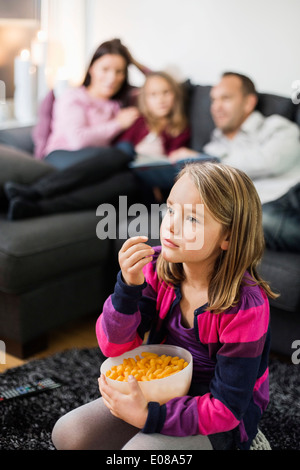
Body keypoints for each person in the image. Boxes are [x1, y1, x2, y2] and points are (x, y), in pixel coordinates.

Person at [51, 161, 277, 450]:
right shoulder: (157, 268)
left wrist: (149, 416)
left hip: (219, 415)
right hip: (163, 391)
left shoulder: (245, 306)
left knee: (138, 452)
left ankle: (249, 443)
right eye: (171, 209)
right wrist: (127, 288)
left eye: (192, 219)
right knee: (68, 434)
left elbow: (227, 409)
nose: (170, 224)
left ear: (229, 237)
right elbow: (115, 348)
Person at [4, 71, 190, 219]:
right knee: (121, 155)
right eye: (154, 95)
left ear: (175, 95)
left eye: (166, 93)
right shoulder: (137, 120)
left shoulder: (180, 130)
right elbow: (117, 150)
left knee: (128, 172)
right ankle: (34, 200)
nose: (161, 99)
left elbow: (173, 169)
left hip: (145, 186)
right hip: (123, 170)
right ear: (144, 99)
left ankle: (38, 201)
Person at [169, 72, 300, 252]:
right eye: (214, 100)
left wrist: (206, 163)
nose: (216, 107)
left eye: (226, 98)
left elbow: (271, 160)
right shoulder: (212, 148)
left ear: (249, 102)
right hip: (254, 209)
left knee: (255, 219)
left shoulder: (276, 126)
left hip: (290, 196)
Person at [33, 38, 145, 169]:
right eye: (105, 69)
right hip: (62, 155)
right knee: (124, 151)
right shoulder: (73, 96)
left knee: (128, 181)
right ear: (92, 69)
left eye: (119, 71)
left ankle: (37, 190)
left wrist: (133, 62)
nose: (112, 78)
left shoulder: (118, 104)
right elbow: (78, 141)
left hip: (96, 163)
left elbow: (156, 83)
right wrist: (118, 124)